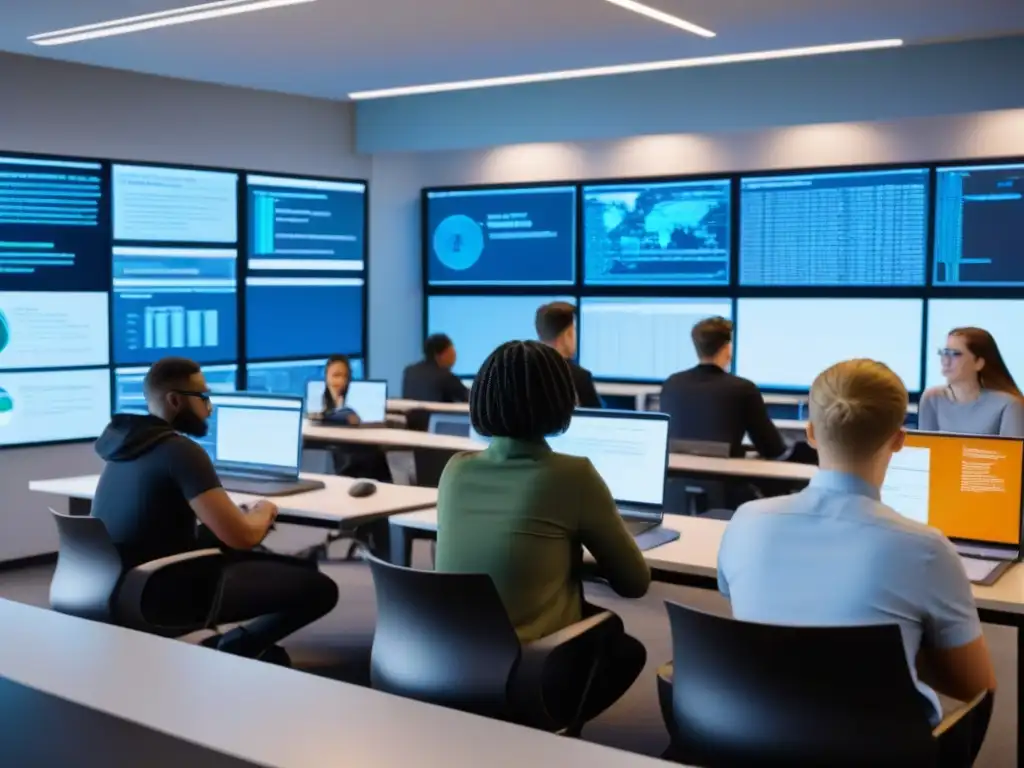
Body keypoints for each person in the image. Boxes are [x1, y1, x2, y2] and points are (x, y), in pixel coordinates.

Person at [718, 359, 996, 726]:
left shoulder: (746, 521)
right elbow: (974, 687)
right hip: (876, 749)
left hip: (749, 736)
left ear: (812, 433)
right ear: (899, 441)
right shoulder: (926, 548)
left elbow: (744, 604)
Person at [436, 340, 650, 722]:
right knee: (623, 646)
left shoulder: (455, 470)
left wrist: (556, 558)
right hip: (528, 668)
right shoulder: (572, 475)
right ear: (560, 400)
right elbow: (634, 582)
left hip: (446, 658)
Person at [92, 356, 339, 662]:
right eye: (203, 397)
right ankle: (238, 645)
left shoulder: (124, 446)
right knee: (321, 588)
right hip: (166, 593)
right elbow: (243, 536)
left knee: (231, 544)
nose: (210, 407)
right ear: (175, 401)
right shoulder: (181, 452)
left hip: (120, 583)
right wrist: (264, 511)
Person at [660, 316, 785, 459]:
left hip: (677, 480)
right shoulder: (743, 389)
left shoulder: (671, 384)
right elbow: (773, 449)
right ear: (727, 348)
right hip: (726, 480)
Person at [918, 327, 1024, 437]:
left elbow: (1012, 453)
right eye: (944, 352)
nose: (945, 361)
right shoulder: (932, 398)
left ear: (978, 363)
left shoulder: (1010, 405)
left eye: (955, 354)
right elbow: (926, 450)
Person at [320, 353, 393, 484]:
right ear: (326, 377)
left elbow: (359, 420)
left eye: (345, 376)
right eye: (336, 375)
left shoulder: (356, 401)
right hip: (340, 463)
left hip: (362, 460)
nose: (341, 381)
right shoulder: (319, 404)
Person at [535, 301, 601, 408]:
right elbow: (599, 420)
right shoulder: (578, 377)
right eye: (574, 330)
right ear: (567, 335)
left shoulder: (520, 372)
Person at [401, 334, 469, 403]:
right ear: (440, 355)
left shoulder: (409, 372)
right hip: (439, 414)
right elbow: (471, 398)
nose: (455, 357)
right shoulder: (446, 377)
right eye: (453, 353)